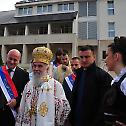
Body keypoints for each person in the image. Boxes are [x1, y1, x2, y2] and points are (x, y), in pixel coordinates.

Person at [15, 47, 70, 126]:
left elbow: (65, 109)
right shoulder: (28, 85)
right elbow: (22, 109)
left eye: (40, 66)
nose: (36, 69)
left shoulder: (56, 86)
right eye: (34, 66)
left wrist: (55, 103)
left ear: (47, 67)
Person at [68, 45, 113, 126]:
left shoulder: (102, 76)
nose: (84, 60)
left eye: (87, 57)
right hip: (77, 120)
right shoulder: (79, 73)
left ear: (94, 57)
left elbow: (105, 104)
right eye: (81, 57)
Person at [0, 49, 29, 126]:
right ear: (6, 57)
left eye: (15, 60)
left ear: (19, 60)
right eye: (10, 58)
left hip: (12, 115)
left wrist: (17, 101)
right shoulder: (0, 71)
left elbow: (25, 95)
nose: (12, 62)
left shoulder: (24, 75)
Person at [104, 36, 126, 126]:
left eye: (107, 55)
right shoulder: (118, 81)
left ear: (116, 56)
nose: (105, 60)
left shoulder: (125, 82)